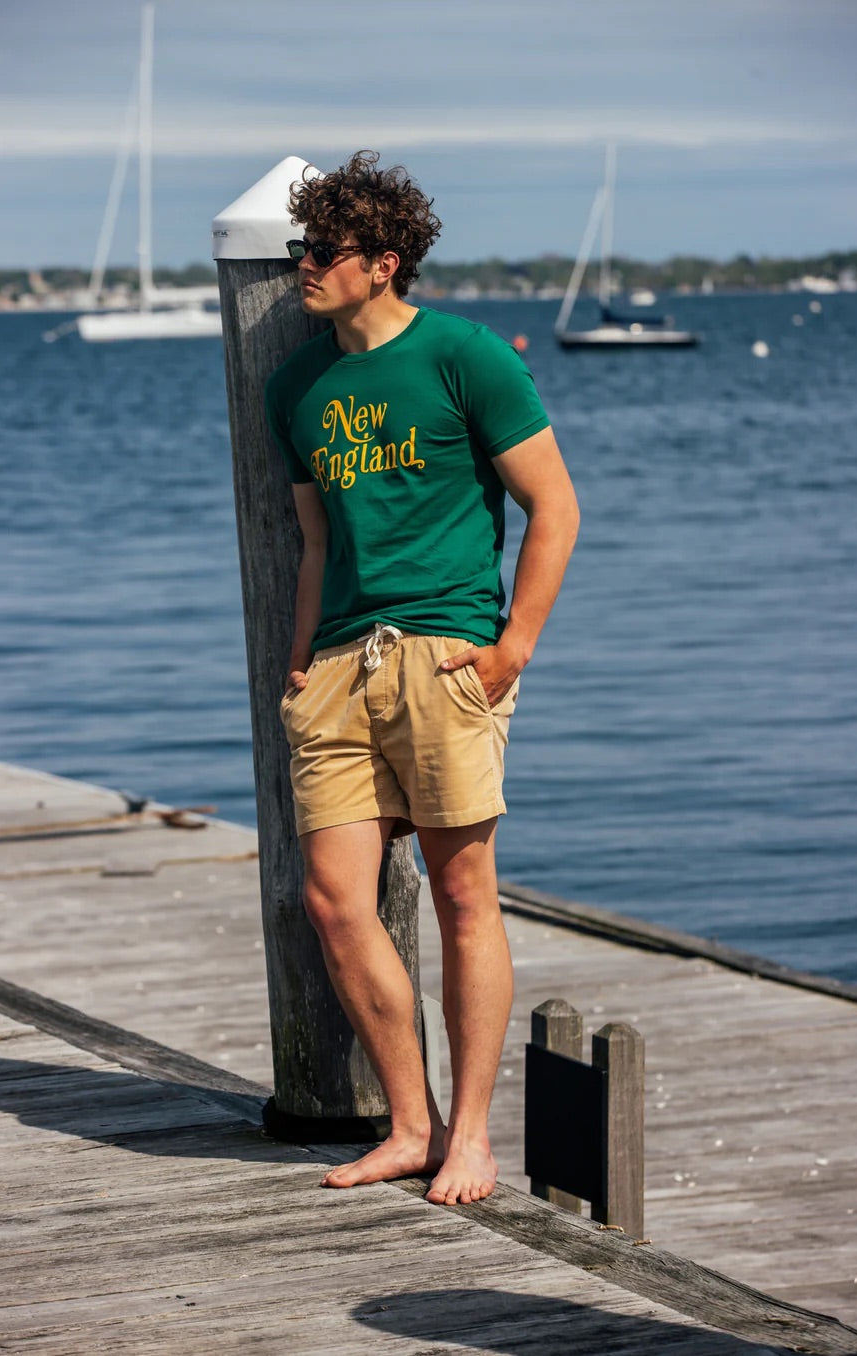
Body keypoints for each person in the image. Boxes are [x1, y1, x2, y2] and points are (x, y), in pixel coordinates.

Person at [265, 151, 579, 1207]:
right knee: (334, 900)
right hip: (339, 668)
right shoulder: (293, 386)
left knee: (460, 892)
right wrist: (301, 665)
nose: (305, 266)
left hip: (444, 654)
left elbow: (555, 507)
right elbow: (316, 543)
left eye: (326, 250)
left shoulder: (464, 356)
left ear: (384, 262)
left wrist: (511, 648)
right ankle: (413, 1125)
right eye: (301, 247)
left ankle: (473, 1138)